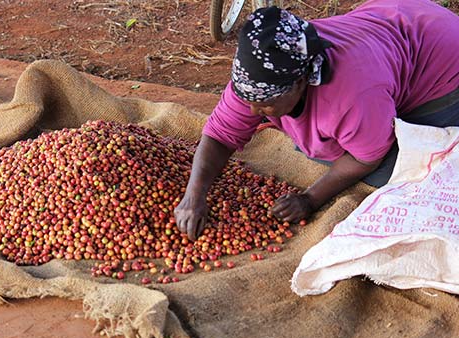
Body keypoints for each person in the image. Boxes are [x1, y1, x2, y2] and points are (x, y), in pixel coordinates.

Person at [174, 0, 459, 240]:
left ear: (301, 83)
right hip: (396, 21)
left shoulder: (350, 95)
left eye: (265, 105)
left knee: (396, 171)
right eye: (247, 101)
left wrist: (311, 199)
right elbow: (220, 134)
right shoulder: (260, 75)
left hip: (444, 60)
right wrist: (194, 196)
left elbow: (365, 158)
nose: (251, 113)